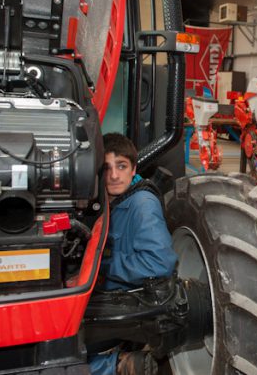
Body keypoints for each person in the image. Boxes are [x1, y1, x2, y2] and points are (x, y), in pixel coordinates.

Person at [89, 133, 178, 375]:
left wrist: (101, 268)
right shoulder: (108, 200)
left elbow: (159, 263)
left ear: (133, 168)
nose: (115, 175)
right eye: (107, 168)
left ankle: (119, 364)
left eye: (121, 166)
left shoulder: (141, 204)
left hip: (125, 306)